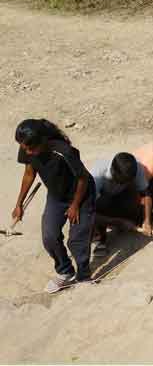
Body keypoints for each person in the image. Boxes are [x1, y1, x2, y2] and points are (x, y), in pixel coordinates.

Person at [12, 119, 96, 293]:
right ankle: (65, 272)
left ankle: (84, 275)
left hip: (81, 195)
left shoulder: (63, 151)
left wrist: (75, 205)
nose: (27, 152)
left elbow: (83, 178)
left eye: (30, 148)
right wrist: (19, 204)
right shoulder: (28, 147)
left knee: (77, 239)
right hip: (57, 195)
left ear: (43, 140)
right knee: (50, 236)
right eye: (24, 148)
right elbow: (29, 174)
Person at [91, 152, 153, 257]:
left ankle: (124, 221)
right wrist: (118, 222)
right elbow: (88, 213)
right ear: (113, 171)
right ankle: (100, 237)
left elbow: (146, 193)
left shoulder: (136, 168)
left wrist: (146, 220)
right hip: (102, 198)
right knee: (99, 206)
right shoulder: (96, 176)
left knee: (133, 200)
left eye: (126, 182)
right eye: (120, 181)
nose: (122, 184)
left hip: (122, 195)